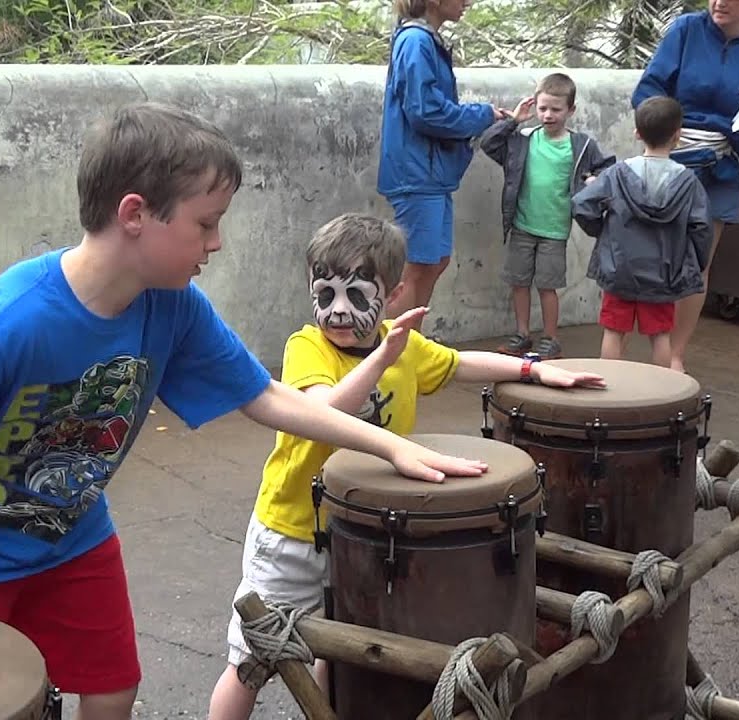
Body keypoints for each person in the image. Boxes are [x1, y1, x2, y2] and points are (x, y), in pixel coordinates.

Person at [0, 102, 492, 720]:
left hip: (73, 541)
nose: (217, 243)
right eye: (205, 223)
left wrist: (390, 446)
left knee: (111, 691)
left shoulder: (173, 305)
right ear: (136, 214)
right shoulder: (17, 319)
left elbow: (266, 397)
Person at [205, 213, 607, 720]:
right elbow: (322, 411)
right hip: (290, 534)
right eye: (324, 294)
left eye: (356, 296)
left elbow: (462, 364)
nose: (338, 311)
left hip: (359, 531)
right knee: (253, 656)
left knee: (338, 649)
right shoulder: (307, 346)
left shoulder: (403, 342)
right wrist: (382, 358)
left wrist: (534, 369)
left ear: (392, 295)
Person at [631, 0, 739, 372]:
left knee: (696, 263)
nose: (719, 2)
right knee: (654, 255)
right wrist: (665, 136)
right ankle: (637, 346)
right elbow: (648, 90)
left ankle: (674, 355)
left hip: (721, 165)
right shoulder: (686, 30)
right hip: (669, 156)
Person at [377, 0, 508, 335]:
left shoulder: (423, 40)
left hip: (429, 174)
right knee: (417, 268)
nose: (468, 3)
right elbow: (425, 111)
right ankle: (385, 350)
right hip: (416, 173)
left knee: (434, 262)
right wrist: (480, 115)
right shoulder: (416, 41)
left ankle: (410, 346)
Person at [479, 72, 616, 360]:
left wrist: (594, 180)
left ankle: (551, 338)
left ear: (571, 110)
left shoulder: (581, 145)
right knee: (519, 282)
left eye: (556, 109)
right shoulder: (524, 140)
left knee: (547, 285)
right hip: (521, 226)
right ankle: (522, 334)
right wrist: (514, 120)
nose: (548, 115)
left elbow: (607, 170)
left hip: (554, 230)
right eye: (543, 108)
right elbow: (489, 143)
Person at [571, 96, 714, 367]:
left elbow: (582, 205)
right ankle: (659, 391)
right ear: (678, 135)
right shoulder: (688, 181)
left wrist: (602, 233)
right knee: (660, 336)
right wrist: (694, 261)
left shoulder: (617, 174)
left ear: (637, 133)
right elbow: (702, 228)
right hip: (664, 273)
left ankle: (609, 383)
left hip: (619, 269)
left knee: (614, 331)